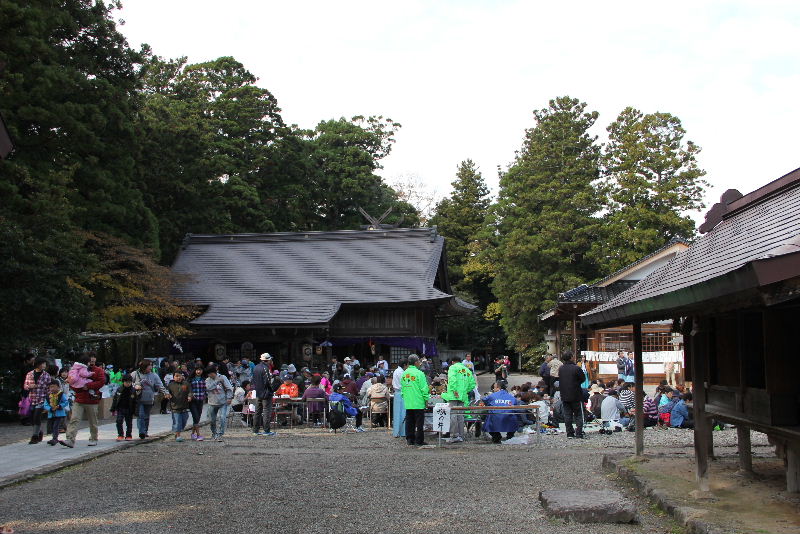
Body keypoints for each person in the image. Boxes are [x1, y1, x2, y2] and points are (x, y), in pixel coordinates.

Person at [62, 355, 106, 448]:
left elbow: (102, 381)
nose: (91, 363)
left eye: (93, 361)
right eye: (90, 361)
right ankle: (70, 439)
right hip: (79, 398)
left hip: (92, 400)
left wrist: (88, 385)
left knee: (93, 421)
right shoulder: (76, 370)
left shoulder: (98, 371)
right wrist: (78, 388)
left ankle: (93, 438)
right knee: (74, 419)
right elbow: (72, 381)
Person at [442, 356, 476, 444]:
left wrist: (454, 390)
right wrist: (464, 391)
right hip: (463, 396)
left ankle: (453, 436)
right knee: (460, 416)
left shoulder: (453, 368)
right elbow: (472, 384)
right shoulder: (467, 370)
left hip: (453, 395)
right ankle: (461, 436)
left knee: (453, 415)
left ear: (453, 362)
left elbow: (452, 379)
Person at [131, 359, 168, 440]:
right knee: (140, 415)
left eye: (151, 366)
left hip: (149, 399)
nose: (151, 368)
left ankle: (145, 431)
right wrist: (135, 386)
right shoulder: (135, 374)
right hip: (139, 399)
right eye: (149, 366)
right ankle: (142, 432)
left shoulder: (154, 375)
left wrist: (166, 393)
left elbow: (160, 385)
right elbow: (127, 382)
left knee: (146, 416)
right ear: (144, 367)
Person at [401, 355, 429, 446]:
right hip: (418, 401)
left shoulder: (404, 373)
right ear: (416, 362)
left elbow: (402, 388)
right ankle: (419, 440)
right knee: (419, 423)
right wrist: (426, 399)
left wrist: (404, 397)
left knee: (409, 421)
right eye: (419, 361)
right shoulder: (419, 373)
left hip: (408, 401)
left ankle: (410, 439)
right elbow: (424, 388)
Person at [558, 351, 587, 439]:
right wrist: (576, 383)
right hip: (576, 394)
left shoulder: (561, 368)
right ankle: (579, 432)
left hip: (564, 394)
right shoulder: (576, 368)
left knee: (567, 414)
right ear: (571, 357)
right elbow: (583, 378)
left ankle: (569, 433)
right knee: (579, 414)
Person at [23, 357, 52, 444]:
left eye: (45, 364)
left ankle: (35, 436)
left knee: (36, 416)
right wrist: (29, 386)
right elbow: (25, 385)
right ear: (37, 364)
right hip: (31, 398)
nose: (43, 365)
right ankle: (39, 431)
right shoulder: (30, 374)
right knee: (31, 417)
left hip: (41, 398)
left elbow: (49, 388)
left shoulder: (46, 375)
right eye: (42, 364)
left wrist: (49, 400)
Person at [205, 365, 234, 441]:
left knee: (222, 418)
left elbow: (229, 388)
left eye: (210, 373)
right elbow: (208, 388)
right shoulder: (208, 380)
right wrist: (216, 381)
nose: (209, 375)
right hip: (212, 402)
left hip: (223, 401)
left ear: (214, 372)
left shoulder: (223, 377)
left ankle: (220, 433)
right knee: (212, 419)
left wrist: (229, 397)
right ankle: (214, 433)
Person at [251, 353, 275, 436]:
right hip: (266, 393)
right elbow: (268, 381)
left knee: (257, 411)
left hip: (258, 392)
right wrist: (271, 390)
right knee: (266, 411)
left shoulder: (256, 367)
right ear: (268, 360)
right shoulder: (265, 368)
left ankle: (255, 430)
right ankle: (266, 430)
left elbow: (253, 380)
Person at [167, 370, 191, 442]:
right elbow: (166, 392)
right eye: (176, 376)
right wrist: (168, 395)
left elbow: (190, 392)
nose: (178, 377)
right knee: (177, 422)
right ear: (174, 377)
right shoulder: (171, 385)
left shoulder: (186, 384)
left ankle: (177, 431)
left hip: (184, 407)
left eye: (180, 376)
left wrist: (189, 396)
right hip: (175, 407)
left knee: (184, 421)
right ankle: (178, 435)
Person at [42, 381, 69, 446]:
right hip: (51, 413)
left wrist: (59, 406)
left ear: (58, 387)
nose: (52, 388)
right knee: (51, 426)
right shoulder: (48, 396)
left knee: (55, 426)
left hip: (59, 413)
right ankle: (54, 437)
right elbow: (45, 404)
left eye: (54, 387)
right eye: (51, 387)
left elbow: (66, 402)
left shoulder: (61, 394)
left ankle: (55, 438)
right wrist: (50, 409)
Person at [111, 375, 137, 441]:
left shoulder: (133, 390)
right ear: (123, 382)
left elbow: (136, 401)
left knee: (129, 423)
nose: (127, 383)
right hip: (120, 408)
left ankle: (128, 435)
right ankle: (120, 435)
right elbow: (115, 399)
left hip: (129, 409)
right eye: (126, 382)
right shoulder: (119, 389)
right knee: (119, 421)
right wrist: (113, 408)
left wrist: (136, 410)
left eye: (129, 382)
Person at [188, 366, 207, 441]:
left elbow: (206, 389)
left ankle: (193, 434)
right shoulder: (190, 380)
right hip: (193, 400)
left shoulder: (204, 379)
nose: (198, 371)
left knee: (197, 417)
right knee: (195, 416)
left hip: (201, 400)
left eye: (200, 370)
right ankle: (198, 435)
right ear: (195, 371)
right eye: (197, 370)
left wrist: (205, 396)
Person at [392, 359, 408, 438]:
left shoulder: (396, 371)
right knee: (402, 413)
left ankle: (396, 432)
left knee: (397, 413)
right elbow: (405, 384)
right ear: (405, 365)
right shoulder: (402, 372)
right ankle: (402, 432)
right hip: (401, 393)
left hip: (397, 393)